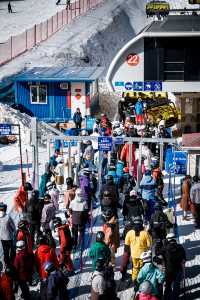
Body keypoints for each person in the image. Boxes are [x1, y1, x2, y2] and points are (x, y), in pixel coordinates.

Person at [121, 218, 152, 283]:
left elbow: (126, 244)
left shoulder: (130, 233)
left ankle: (134, 280)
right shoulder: (145, 233)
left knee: (135, 268)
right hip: (143, 255)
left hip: (134, 255)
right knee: (142, 268)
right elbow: (149, 244)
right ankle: (142, 280)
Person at [163, 233, 186, 300]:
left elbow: (157, 252)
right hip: (178, 270)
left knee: (168, 285)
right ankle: (176, 298)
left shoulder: (165, 248)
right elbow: (184, 259)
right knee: (177, 285)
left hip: (169, 271)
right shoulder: (180, 247)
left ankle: (167, 297)